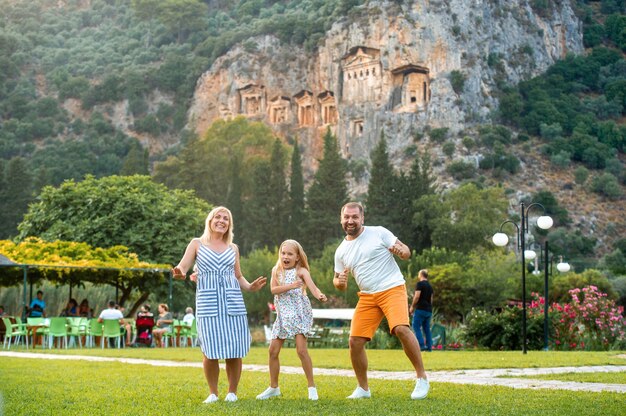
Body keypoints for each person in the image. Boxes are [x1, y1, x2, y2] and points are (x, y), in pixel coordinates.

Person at [333, 202, 429, 400]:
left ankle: (422, 378)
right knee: (355, 341)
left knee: (401, 328)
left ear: (362, 219)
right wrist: (339, 282)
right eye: (346, 217)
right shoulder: (341, 251)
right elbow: (338, 282)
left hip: (392, 288)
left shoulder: (379, 233)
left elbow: (406, 251)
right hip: (367, 296)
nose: (350, 221)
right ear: (341, 219)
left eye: (354, 217)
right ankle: (363, 388)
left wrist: (402, 252)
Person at [172, 206, 267, 404]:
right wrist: (180, 272)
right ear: (210, 220)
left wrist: (250, 287)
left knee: (235, 350)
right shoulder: (197, 244)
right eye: (218, 217)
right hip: (208, 304)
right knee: (210, 350)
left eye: (226, 218)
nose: (222, 221)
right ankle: (213, 393)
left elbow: (238, 276)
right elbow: (183, 266)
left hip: (233, 303)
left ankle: (232, 392)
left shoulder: (233, 248)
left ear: (229, 225)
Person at [256, 240, 328, 401]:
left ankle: (312, 388)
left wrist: (319, 295)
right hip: (282, 316)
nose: (285, 256)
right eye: (283, 253)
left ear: (297, 257)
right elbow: (274, 290)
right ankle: (273, 387)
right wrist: (292, 285)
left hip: (298, 314)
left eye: (290, 254)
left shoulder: (301, 271)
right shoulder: (276, 270)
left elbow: (313, 287)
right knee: (272, 351)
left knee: (301, 351)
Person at [410, 269, 434, 352]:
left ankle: (421, 345)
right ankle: (429, 347)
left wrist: (412, 306)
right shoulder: (430, 286)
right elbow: (431, 300)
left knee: (416, 326)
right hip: (428, 310)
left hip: (420, 309)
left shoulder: (420, 284)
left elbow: (417, 297)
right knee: (426, 328)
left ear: (421, 275)